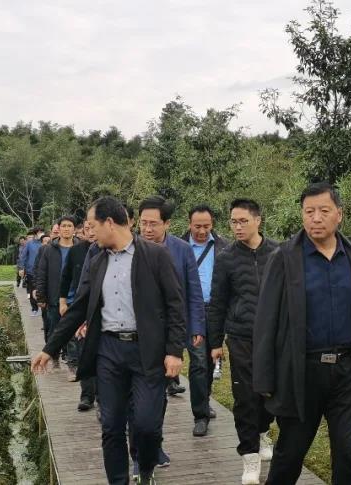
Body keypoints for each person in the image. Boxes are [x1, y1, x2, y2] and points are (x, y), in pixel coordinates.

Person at [32, 196, 186, 485]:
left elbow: (175, 305)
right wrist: (49, 348)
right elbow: (79, 308)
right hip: (109, 351)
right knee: (111, 426)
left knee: (147, 425)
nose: (88, 232)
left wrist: (175, 351)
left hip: (147, 351)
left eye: (92, 226)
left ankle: (146, 467)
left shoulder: (155, 256)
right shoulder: (97, 260)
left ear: (110, 223)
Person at [253, 183, 351, 485]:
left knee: (349, 455)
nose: (316, 218)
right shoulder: (285, 257)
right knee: (290, 455)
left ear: (339, 215)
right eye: (309, 212)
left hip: (346, 372)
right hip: (302, 372)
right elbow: (266, 321)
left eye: (324, 211)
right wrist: (265, 380)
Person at [207, 198, 280, 484]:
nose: (237, 227)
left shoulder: (277, 253)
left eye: (243, 221)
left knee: (269, 393)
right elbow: (218, 302)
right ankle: (249, 456)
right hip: (240, 336)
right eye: (233, 222)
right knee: (245, 397)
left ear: (258, 220)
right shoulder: (226, 258)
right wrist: (215, 342)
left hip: (274, 337)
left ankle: (263, 431)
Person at [138, 196, 207, 439]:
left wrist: (197, 326)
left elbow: (194, 290)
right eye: (143, 223)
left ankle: (201, 414)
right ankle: (153, 432)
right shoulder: (132, 249)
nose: (147, 229)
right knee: (154, 380)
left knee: (199, 365)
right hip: (149, 328)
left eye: (153, 224)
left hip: (181, 322)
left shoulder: (182, 249)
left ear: (167, 223)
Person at [182, 205, 229, 386]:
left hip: (215, 310)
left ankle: (205, 397)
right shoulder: (179, 247)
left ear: (212, 224)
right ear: (189, 224)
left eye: (206, 226)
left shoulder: (224, 246)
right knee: (199, 360)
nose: (202, 231)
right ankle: (200, 404)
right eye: (197, 226)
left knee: (211, 357)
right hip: (192, 310)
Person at [60, 218, 98, 409]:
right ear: (82, 231)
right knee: (84, 351)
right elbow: (66, 277)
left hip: (102, 310)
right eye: (87, 228)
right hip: (81, 306)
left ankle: (102, 398)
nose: (90, 232)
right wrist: (63, 301)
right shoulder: (76, 251)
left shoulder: (109, 249)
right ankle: (87, 395)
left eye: (94, 227)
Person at [35, 216, 79, 370]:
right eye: (64, 226)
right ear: (58, 229)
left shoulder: (81, 248)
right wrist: (41, 296)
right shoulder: (49, 250)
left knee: (73, 332)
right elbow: (42, 273)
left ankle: (73, 364)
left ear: (74, 229)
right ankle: (54, 356)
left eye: (69, 226)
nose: (66, 229)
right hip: (54, 297)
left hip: (75, 298)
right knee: (54, 330)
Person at [17, 227, 44, 316]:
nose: (41, 234)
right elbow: (23, 256)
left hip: (43, 271)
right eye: (40, 232)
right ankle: (34, 308)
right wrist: (21, 268)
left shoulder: (45, 242)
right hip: (31, 271)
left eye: (42, 232)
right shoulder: (29, 244)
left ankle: (43, 308)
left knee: (42, 290)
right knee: (32, 290)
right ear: (36, 233)